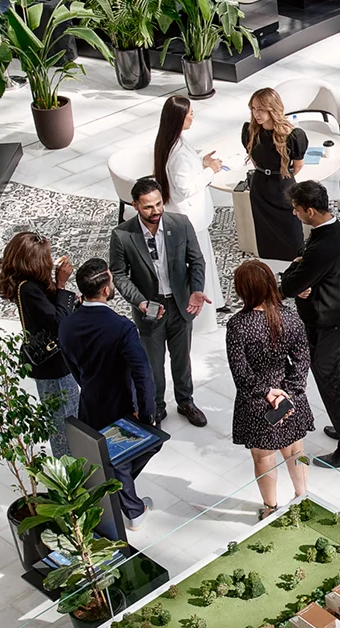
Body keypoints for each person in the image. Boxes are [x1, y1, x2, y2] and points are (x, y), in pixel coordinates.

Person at [58, 259, 158, 530]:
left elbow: (73, 367)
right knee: (138, 449)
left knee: (112, 457)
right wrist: (147, 413)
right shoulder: (122, 327)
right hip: (122, 405)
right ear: (105, 290)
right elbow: (142, 373)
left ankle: (120, 492)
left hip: (90, 402)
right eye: (112, 281)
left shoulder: (66, 325)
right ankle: (132, 508)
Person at [108, 176, 210, 427]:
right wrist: (140, 302)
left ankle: (186, 402)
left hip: (180, 306)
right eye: (148, 207)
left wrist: (196, 289)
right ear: (135, 205)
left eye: (158, 204)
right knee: (153, 365)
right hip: (150, 310)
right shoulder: (122, 235)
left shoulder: (181, 223)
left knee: (182, 360)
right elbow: (119, 275)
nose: (155, 211)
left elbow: (196, 260)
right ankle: (156, 407)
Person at [280, 181, 340, 468]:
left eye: (297, 209)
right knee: (337, 370)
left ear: (311, 211)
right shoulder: (333, 230)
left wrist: (296, 269)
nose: (294, 213)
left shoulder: (323, 245)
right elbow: (305, 267)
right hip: (335, 313)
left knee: (328, 378)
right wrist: (302, 266)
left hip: (324, 320)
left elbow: (290, 286)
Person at [227, 260, 314, 519]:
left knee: (263, 458)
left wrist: (267, 393)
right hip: (290, 398)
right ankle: (302, 496)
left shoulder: (238, 325)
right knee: (296, 451)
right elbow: (302, 360)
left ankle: (270, 508)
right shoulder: (290, 317)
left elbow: (241, 373)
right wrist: (289, 393)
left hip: (257, 403)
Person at [0, 232, 79, 455]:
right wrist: (61, 285)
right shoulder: (28, 289)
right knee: (65, 424)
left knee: (69, 419)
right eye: (46, 257)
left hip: (57, 364)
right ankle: (69, 470)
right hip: (53, 368)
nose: (50, 261)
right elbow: (58, 323)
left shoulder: (33, 285)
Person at [154, 96, 226, 331]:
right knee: (198, 265)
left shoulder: (172, 141)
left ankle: (215, 303)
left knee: (204, 262)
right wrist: (210, 171)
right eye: (190, 114)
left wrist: (201, 161)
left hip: (191, 217)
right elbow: (185, 187)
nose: (193, 117)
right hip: (190, 218)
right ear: (179, 118)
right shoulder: (177, 152)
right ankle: (203, 319)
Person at [243, 87, 308, 260]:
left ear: (272, 108)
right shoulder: (250, 132)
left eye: (261, 109)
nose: (256, 113)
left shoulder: (293, 136)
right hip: (260, 189)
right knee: (265, 239)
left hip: (283, 188)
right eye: (253, 108)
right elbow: (256, 161)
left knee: (292, 236)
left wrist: (280, 174)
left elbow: (297, 166)